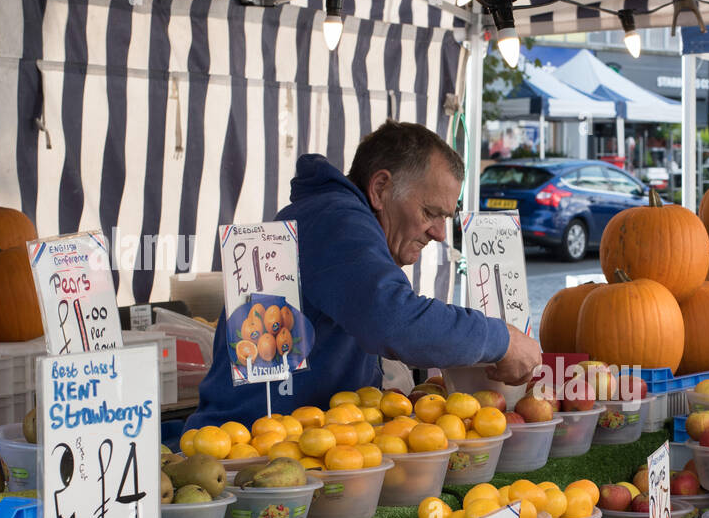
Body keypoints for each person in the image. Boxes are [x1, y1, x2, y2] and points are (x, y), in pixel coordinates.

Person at [186, 121, 541, 430]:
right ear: (380, 189)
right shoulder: (337, 221)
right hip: (250, 452)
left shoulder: (328, 215)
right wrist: (500, 338)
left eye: (446, 218)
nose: (439, 234)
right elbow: (394, 321)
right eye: (431, 212)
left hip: (295, 444)